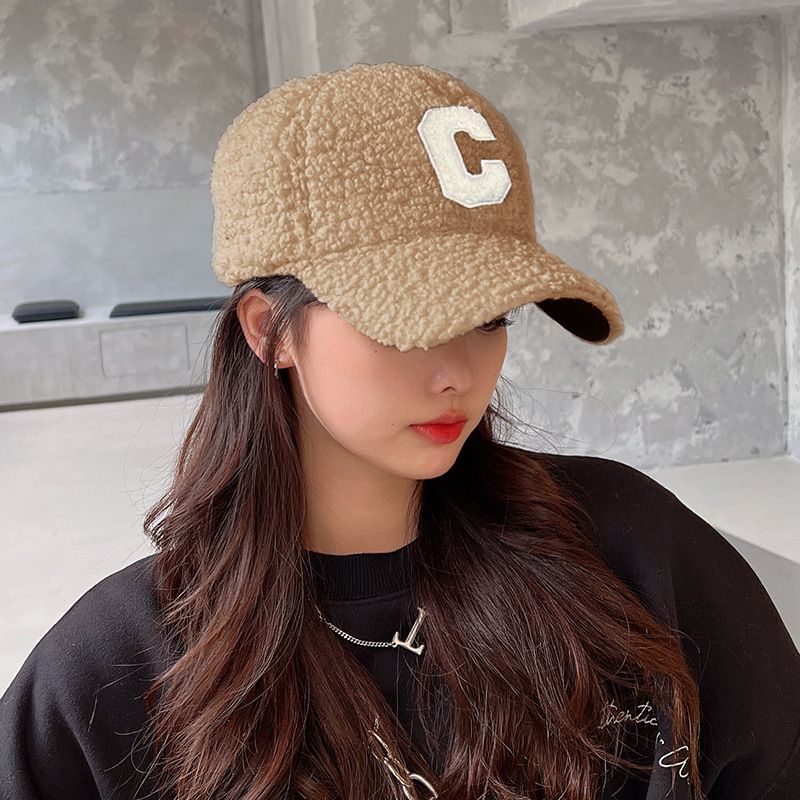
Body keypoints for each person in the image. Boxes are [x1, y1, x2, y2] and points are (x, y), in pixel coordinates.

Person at [1, 61, 798, 800]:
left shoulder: (630, 552)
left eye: (490, 316)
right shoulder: (121, 669)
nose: (458, 371)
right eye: (407, 316)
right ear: (268, 330)